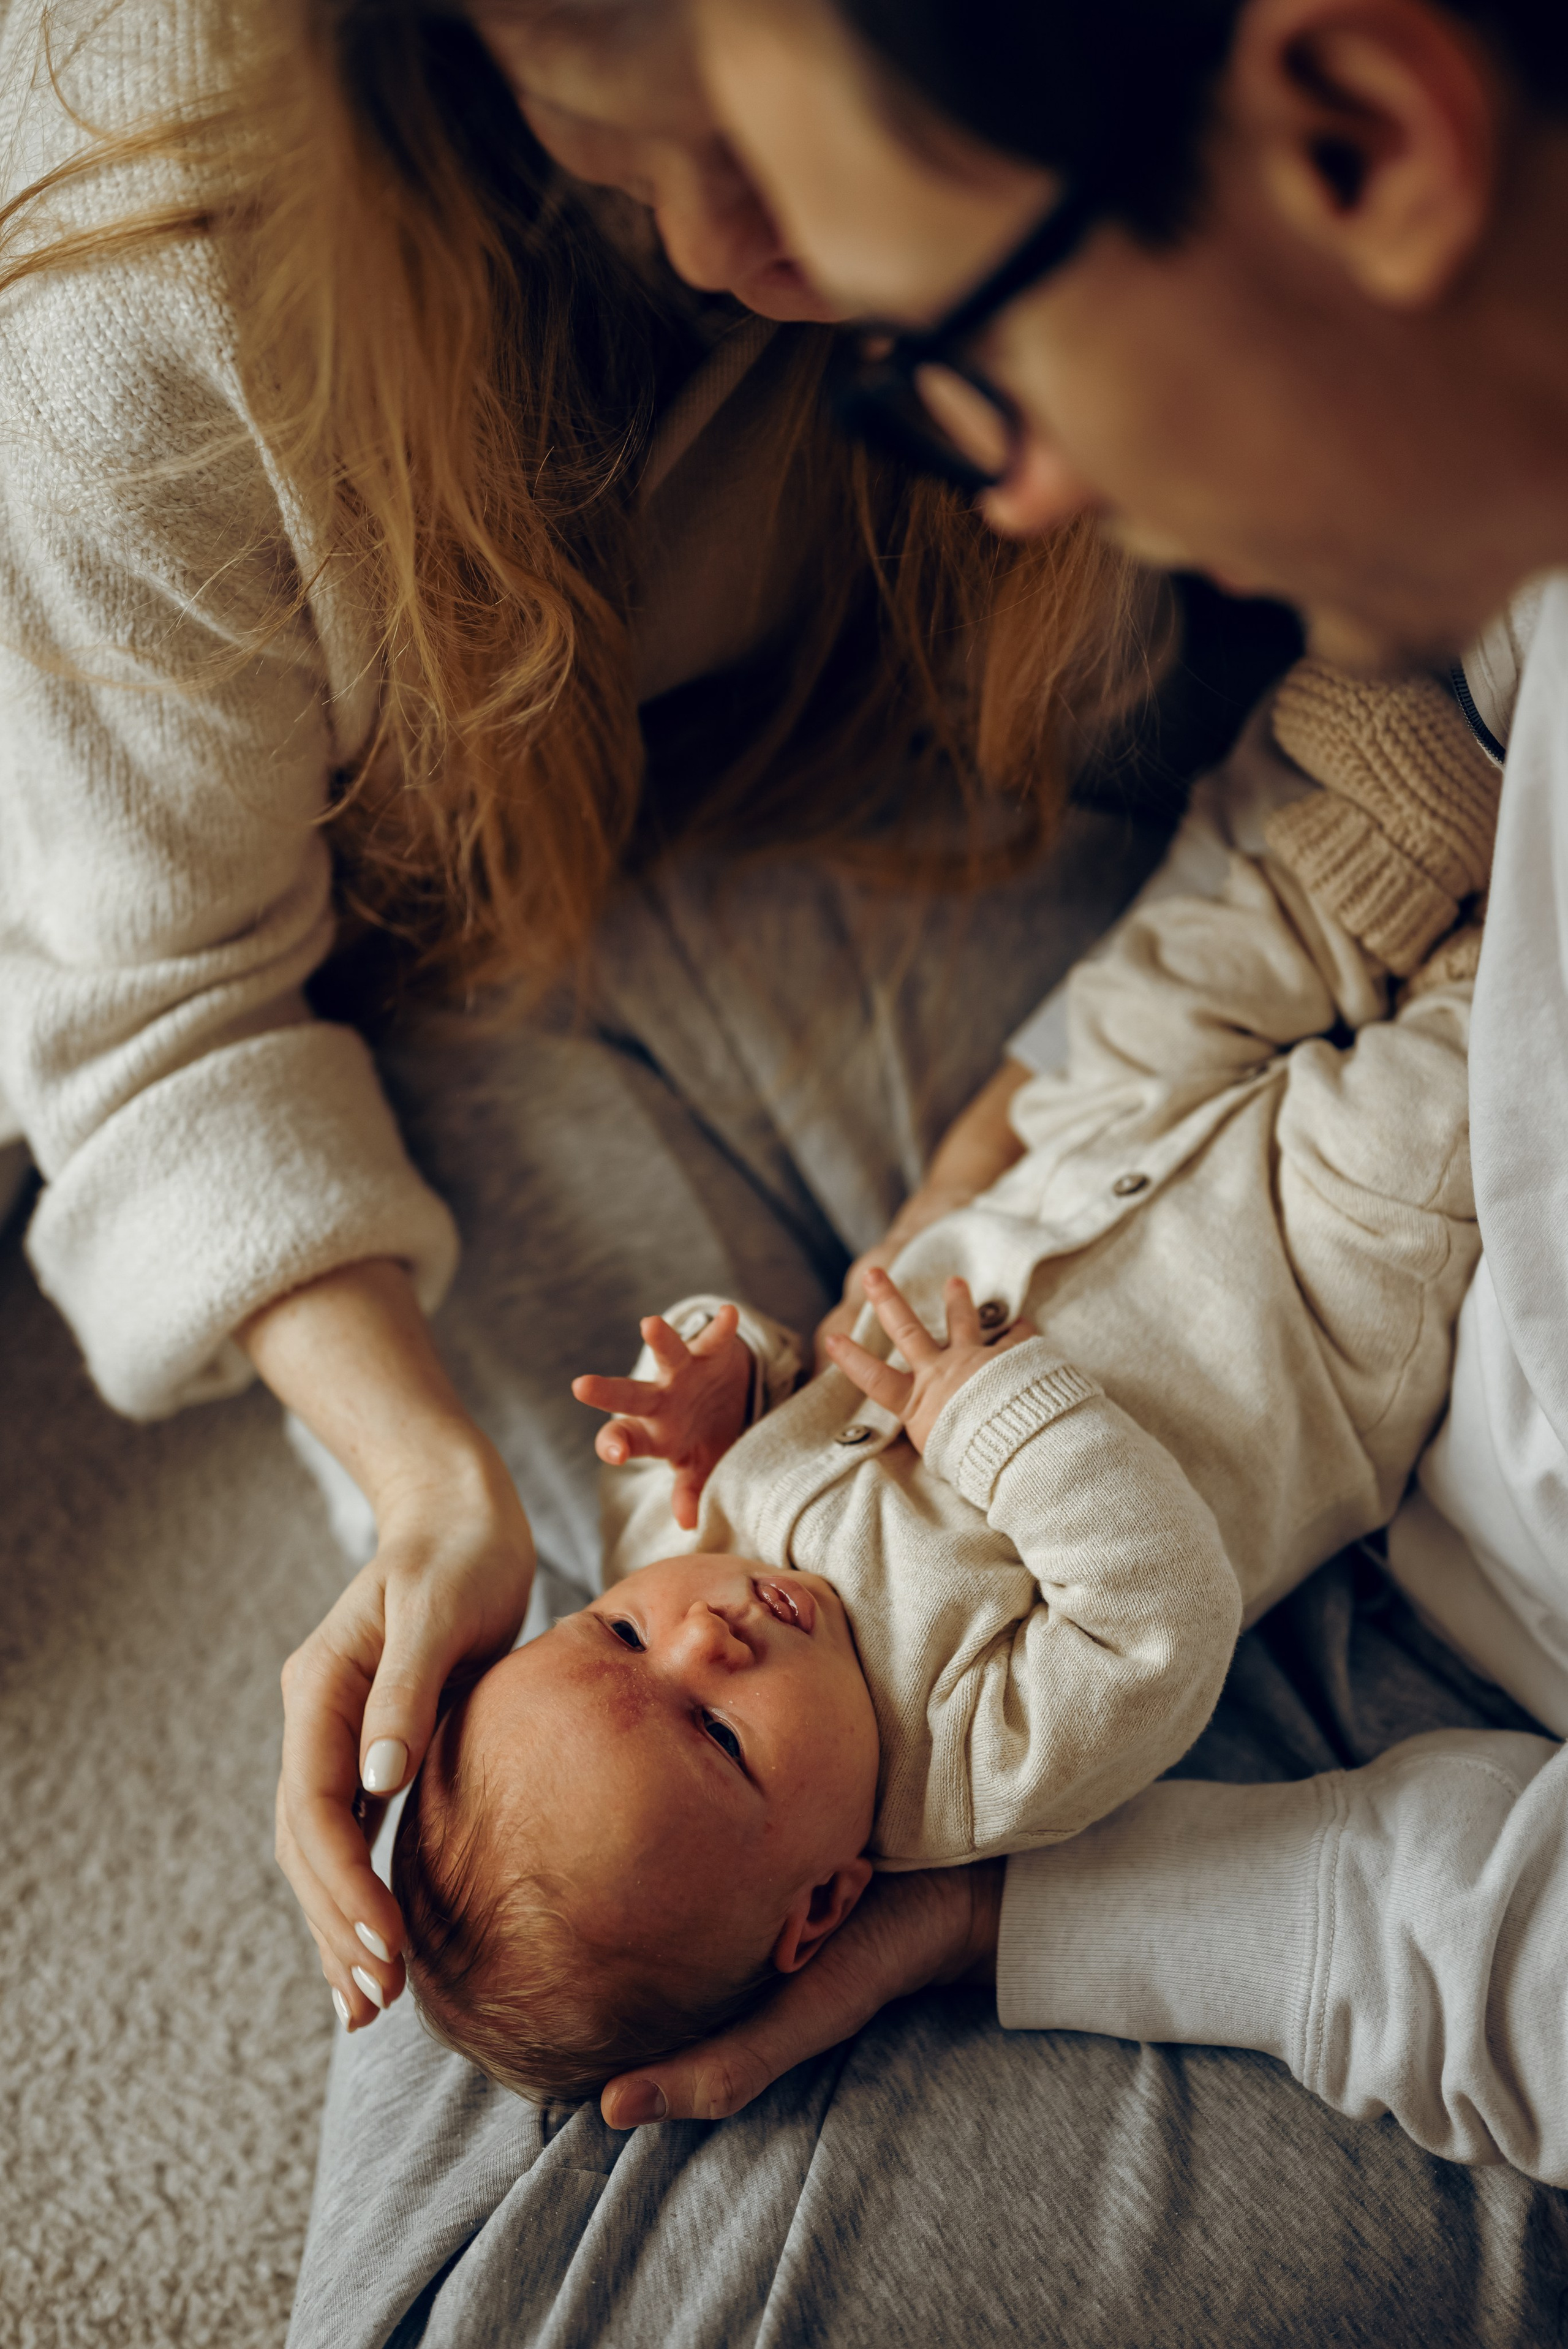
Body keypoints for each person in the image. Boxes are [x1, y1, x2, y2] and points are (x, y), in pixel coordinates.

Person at [0, 0, 1167, 2043]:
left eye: (788, 137)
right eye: (631, 131)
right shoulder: (145, 289)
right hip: (374, 919)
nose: (736, 246)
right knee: (543, 1934)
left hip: (815, 803)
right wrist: (431, 1477)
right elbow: (162, 1010)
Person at [600, 0, 1568, 2182]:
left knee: (538, 2255)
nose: (1013, 484)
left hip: (1366, 1540)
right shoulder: (923, 1734)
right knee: (564, 1958)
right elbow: (1089, 1590)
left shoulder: (813, 1651)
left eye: (965, 338)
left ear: (1363, 135)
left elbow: (1088, 1583)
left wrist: (1010, 1921)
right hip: (1163, 1223)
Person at [389, 643, 1491, 2100]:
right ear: (828, 1899)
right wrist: (988, 1421)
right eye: (719, 1738)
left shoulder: (696, 1546)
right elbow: (1159, 1613)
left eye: (613, 1634)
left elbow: (806, 1377)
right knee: (1436, 1131)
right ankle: (1486, 978)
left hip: (1068, 1178)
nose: (701, 1638)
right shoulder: (971, 1763)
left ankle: (1364, 859)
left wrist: (733, 1387)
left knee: (1144, 1013)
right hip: (1299, 1303)